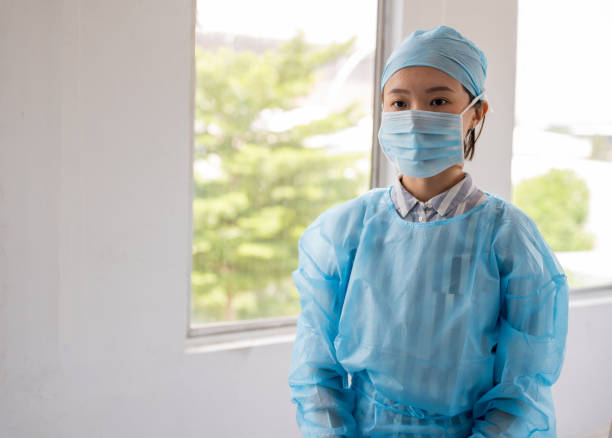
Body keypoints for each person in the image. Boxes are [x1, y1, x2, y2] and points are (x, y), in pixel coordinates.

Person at [288, 25, 569, 437]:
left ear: (476, 112)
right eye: (399, 102)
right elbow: (316, 373)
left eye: (438, 100)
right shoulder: (342, 232)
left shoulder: (508, 239)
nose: (416, 118)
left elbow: (523, 391)